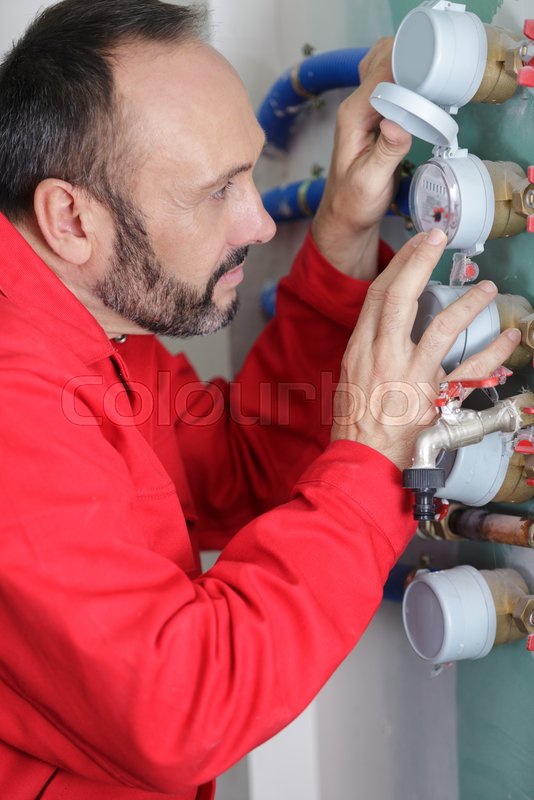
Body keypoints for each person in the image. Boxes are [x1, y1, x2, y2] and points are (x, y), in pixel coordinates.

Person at [0, 1, 520, 798]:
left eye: (248, 173)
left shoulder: (82, 327)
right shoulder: (16, 404)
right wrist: (374, 455)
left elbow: (243, 465)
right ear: (71, 218)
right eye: (218, 191)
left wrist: (342, 233)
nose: (257, 222)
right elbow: (185, 705)